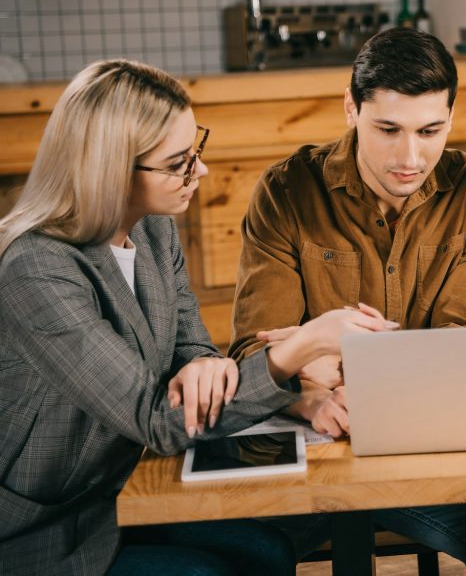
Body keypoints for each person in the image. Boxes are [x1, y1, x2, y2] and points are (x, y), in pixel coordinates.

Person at [0, 60, 383, 575]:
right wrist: (301, 347)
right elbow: (156, 418)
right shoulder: (36, 270)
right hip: (44, 527)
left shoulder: (154, 231)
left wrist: (205, 364)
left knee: (268, 549)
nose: (199, 171)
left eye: (195, 148)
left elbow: (194, 352)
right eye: (178, 161)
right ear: (110, 170)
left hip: (121, 489)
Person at [228, 28, 466, 574]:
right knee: (222, 559)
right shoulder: (286, 191)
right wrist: (308, 394)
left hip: (425, 448)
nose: (411, 156)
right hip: (312, 443)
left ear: (452, 118)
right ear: (351, 108)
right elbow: (252, 352)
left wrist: (320, 360)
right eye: (388, 129)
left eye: (430, 130)